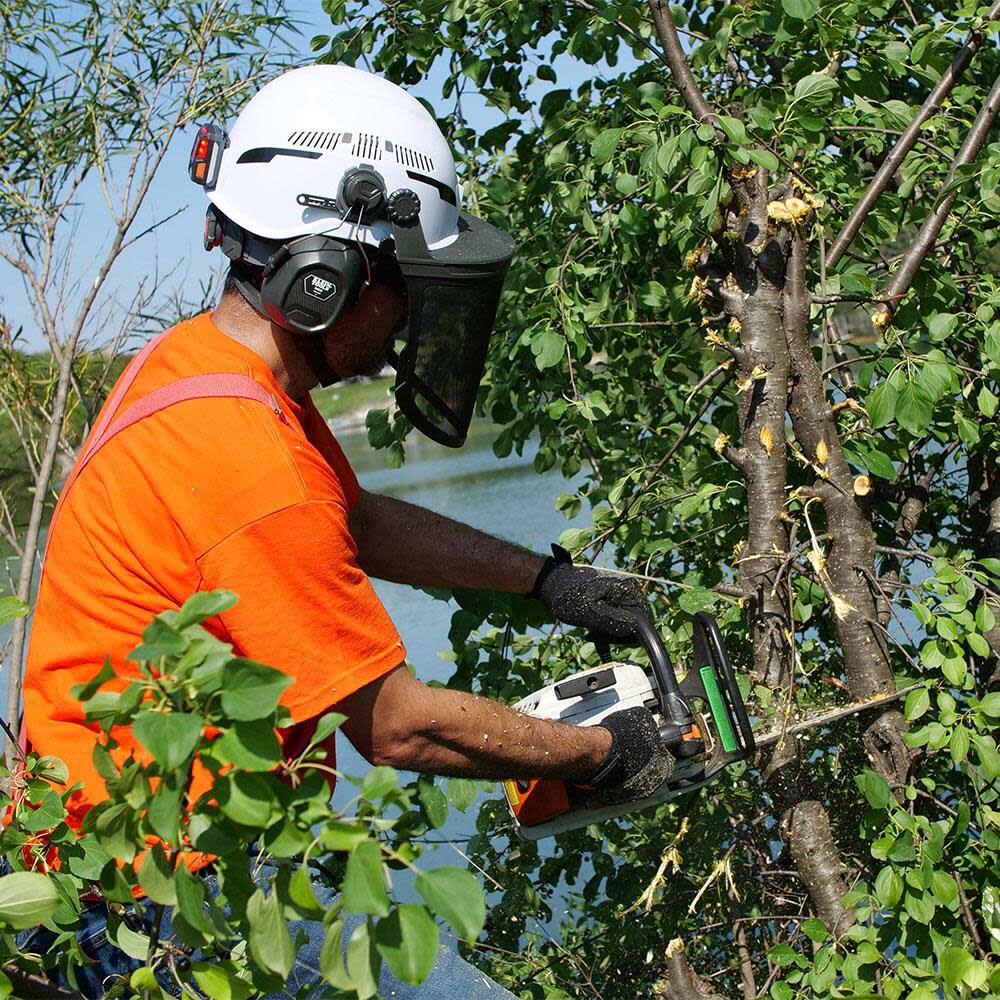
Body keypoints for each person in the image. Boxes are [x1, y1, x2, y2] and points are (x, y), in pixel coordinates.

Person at [21, 64, 672, 998]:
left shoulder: (210, 371)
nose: (406, 326)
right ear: (324, 278)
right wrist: (609, 753)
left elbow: (354, 519)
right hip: (144, 906)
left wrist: (547, 580)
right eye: (400, 291)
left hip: (150, 857)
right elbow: (399, 728)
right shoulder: (242, 455)